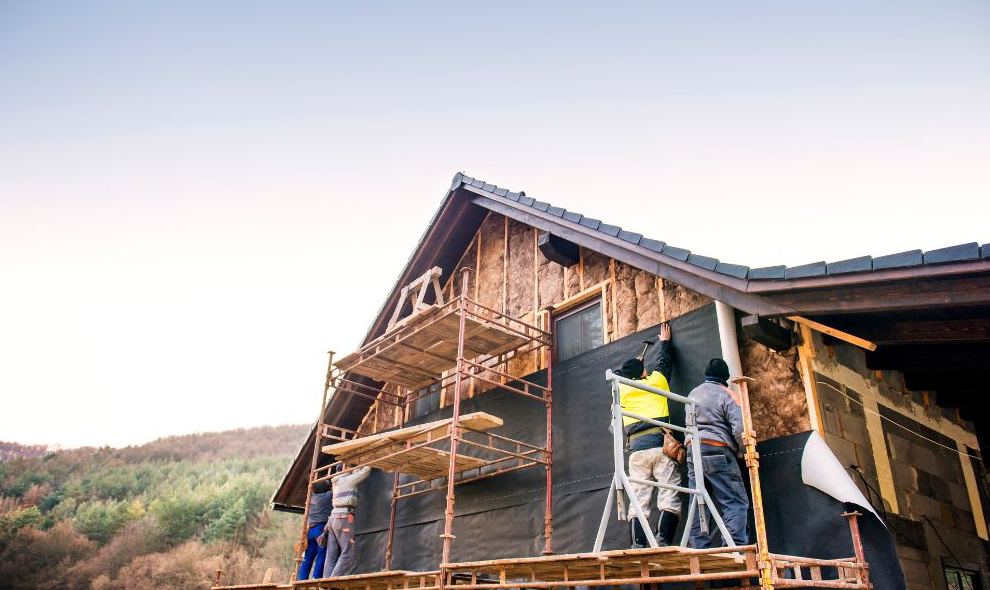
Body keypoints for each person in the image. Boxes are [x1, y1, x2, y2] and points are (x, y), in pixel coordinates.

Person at [617, 322, 683, 547]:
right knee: (669, 493)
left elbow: (620, 374)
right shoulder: (656, 382)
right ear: (644, 373)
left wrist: (634, 366)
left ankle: (637, 544)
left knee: (638, 498)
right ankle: (663, 539)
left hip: (636, 450)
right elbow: (664, 364)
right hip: (660, 446)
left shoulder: (621, 390)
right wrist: (664, 343)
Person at [685, 358, 748, 548]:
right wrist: (743, 451)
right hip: (717, 449)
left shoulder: (693, 394)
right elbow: (740, 430)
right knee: (735, 501)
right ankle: (734, 547)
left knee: (698, 500)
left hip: (693, 450)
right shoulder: (728, 394)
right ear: (725, 377)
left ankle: (698, 547)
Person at [320, 465, 372, 578]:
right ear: (345, 468)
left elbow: (355, 473)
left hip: (333, 518)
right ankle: (332, 581)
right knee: (349, 552)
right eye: (350, 466)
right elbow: (366, 470)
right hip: (344, 517)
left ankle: (326, 579)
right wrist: (362, 462)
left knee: (331, 554)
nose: (352, 468)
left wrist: (353, 468)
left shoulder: (337, 479)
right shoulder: (348, 480)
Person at [298, 480, 332, 580]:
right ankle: (316, 577)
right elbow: (337, 488)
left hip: (310, 530)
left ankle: (301, 579)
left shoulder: (311, 497)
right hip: (321, 529)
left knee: (308, 556)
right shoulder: (328, 496)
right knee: (322, 553)